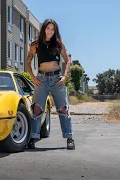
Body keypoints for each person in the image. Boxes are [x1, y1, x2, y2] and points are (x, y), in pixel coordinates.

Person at [25, 19, 75, 150]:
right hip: (41, 79)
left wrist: (64, 76)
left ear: (55, 31)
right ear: (43, 29)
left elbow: (67, 61)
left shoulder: (59, 44)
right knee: (37, 109)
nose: (50, 31)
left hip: (57, 79)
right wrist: (33, 78)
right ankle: (33, 138)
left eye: (53, 29)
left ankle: (69, 137)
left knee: (63, 108)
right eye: (48, 28)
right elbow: (27, 62)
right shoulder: (35, 45)